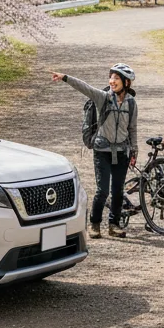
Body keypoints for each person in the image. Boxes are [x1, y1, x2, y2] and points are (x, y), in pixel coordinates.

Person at [51, 63, 138, 239]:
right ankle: (95, 223)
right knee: (103, 190)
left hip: (122, 151)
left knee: (118, 191)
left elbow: (132, 129)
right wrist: (65, 77)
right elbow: (85, 88)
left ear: (126, 82)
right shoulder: (103, 98)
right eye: (111, 77)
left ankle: (114, 225)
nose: (112, 81)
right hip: (102, 150)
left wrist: (134, 151)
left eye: (116, 78)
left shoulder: (131, 103)